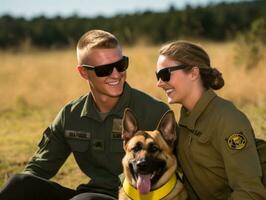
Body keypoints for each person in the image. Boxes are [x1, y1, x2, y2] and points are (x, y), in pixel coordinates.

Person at [0, 30, 170, 200]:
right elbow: (38, 169)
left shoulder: (154, 112)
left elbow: (175, 172)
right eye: (104, 70)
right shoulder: (71, 115)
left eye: (121, 64)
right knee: (19, 183)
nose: (116, 74)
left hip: (131, 196)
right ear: (83, 72)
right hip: (87, 194)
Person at [155, 40, 266, 199]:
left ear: (194, 73)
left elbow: (250, 192)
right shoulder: (186, 118)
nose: (159, 83)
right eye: (158, 76)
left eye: (165, 75)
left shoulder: (227, 119)